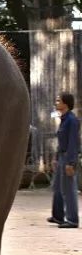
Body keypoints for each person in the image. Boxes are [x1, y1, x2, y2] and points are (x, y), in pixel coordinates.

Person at [47, 92, 80, 229]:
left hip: (68, 157)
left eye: (58, 100)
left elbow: (73, 143)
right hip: (61, 156)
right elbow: (61, 141)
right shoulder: (64, 119)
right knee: (57, 188)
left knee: (68, 189)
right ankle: (58, 216)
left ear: (65, 103)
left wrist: (71, 163)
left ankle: (72, 220)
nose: (56, 103)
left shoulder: (72, 120)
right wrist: (55, 158)